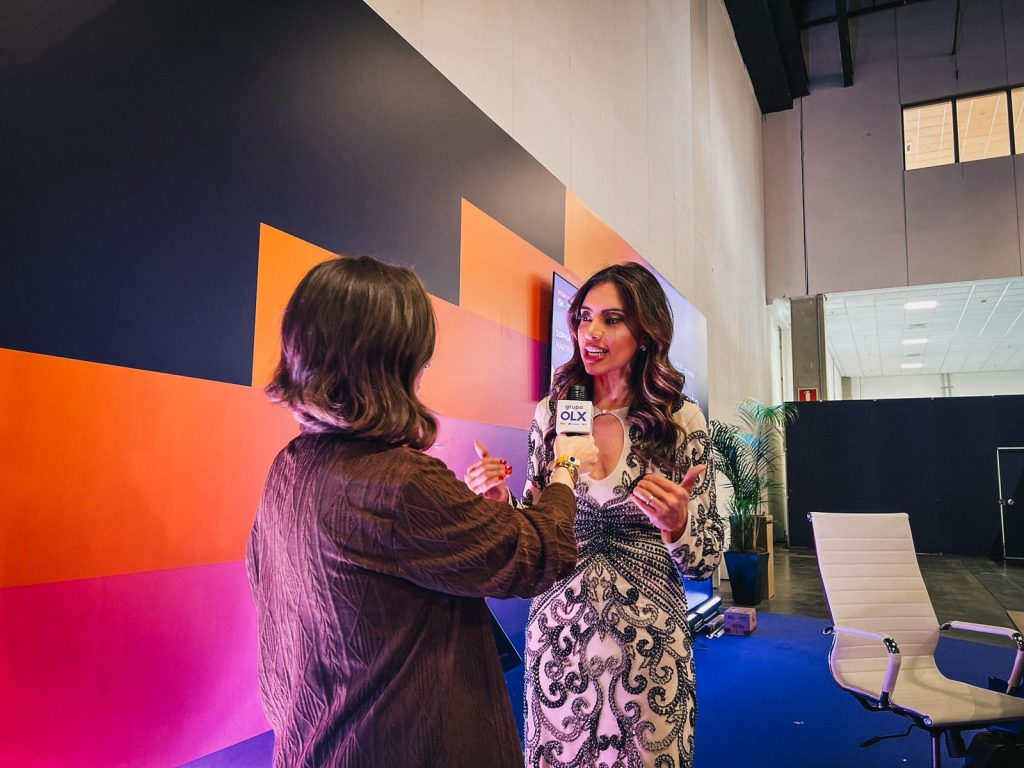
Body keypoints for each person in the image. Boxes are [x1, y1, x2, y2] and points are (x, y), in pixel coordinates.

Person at [246, 255, 598, 768]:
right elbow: (538, 554)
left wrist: (485, 513)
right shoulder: (400, 482)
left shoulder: (289, 467)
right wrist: (566, 466)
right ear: (393, 362)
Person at [465, 262, 724, 768]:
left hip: (650, 644)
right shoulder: (553, 412)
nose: (592, 332)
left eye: (612, 319)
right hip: (559, 638)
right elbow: (538, 530)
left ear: (645, 333)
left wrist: (678, 525)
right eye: (584, 317)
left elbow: (705, 559)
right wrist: (500, 503)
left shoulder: (679, 419)